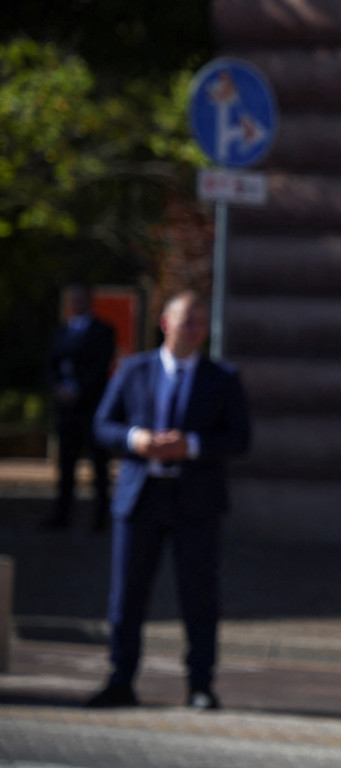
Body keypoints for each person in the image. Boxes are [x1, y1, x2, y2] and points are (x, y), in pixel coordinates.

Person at [86, 291, 251, 710]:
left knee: (199, 595)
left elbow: (239, 439)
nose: (194, 329)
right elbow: (103, 425)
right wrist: (135, 439)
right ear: (165, 323)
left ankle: (200, 685)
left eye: (200, 322)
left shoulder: (223, 378)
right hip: (141, 497)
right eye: (186, 320)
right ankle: (120, 680)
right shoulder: (134, 370)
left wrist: (191, 445)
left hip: (195, 501)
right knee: (127, 595)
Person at [45, 283, 116, 531]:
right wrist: (58, 388)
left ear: (90, 301)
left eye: (82, 300)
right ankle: (61, 516)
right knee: (65, 465)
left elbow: (101, 365)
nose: (78, 304)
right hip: (66, 411)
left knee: (98, 465)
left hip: (91, 407)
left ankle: (100, 519)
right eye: (74, 300)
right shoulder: (63, 331)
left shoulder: (103, 331)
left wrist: (78, 389)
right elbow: (51, 363)